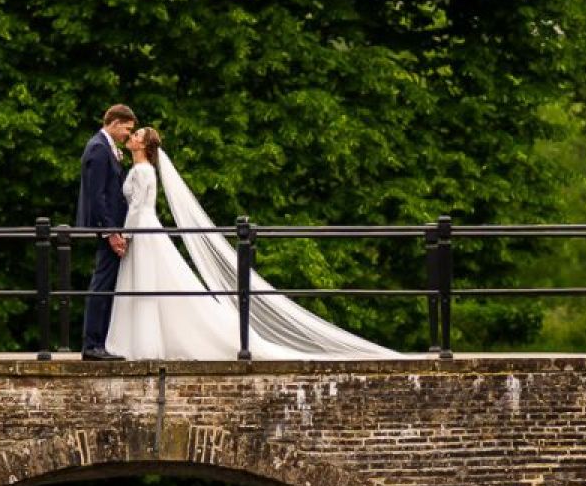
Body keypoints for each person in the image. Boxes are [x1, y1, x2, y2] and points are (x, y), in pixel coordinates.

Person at [103, 127, 394, 361]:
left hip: (142, 230)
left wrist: (126, 236)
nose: (132, 137)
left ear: (145, 146)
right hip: (143, 229)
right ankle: (143, 342)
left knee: (145, 286)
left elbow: (139, 207)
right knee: (146, 286)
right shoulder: (141, 169)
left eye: (137, 135)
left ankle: (143, 345)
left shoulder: (143, 171)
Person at [76, 104, 136, 358]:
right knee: (101, 283)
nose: (127, 135)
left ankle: (100, 342)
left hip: (111, 227)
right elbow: (96, 196)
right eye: (126, 128)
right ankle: (92, 345)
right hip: (106, 228)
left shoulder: (106, 148)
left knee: (106, 283)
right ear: (114, 123)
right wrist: (111, 232)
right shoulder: (99, 149)